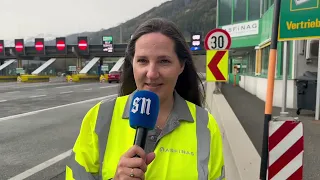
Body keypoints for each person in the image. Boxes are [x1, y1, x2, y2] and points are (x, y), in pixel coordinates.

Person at [65, 18, 225, 180]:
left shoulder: (205, 124)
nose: (152, 73)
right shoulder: (100, 117)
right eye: (142, 61)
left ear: (181, 66)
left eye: (164, 61)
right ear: (132, 64)